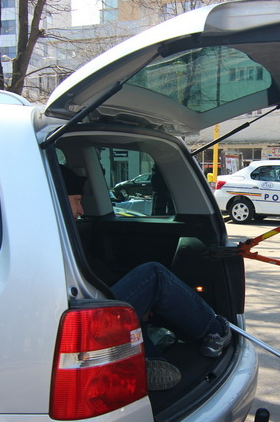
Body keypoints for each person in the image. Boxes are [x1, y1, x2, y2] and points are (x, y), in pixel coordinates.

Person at [61, 165, 232, 390]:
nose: (82, 210)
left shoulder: (57, 232)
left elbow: (95, 275)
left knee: (131, 308)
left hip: (94, 306)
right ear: (61, 201)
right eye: (77, 201)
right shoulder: (54, 237)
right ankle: (216, 329)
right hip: (89, 313)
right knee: (154, 274)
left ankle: (150, 363)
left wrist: (139, 298)